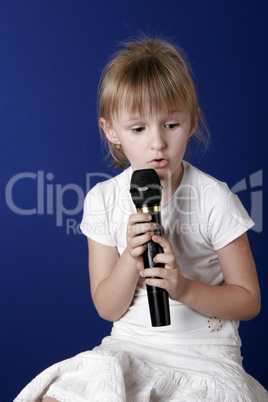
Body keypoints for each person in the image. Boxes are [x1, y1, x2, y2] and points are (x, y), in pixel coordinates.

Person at [15, 37, 268, 402]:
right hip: (131, 349)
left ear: (193, 121)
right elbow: (107, 307)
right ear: (111, 131)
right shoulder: (102, 200)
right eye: (138, 129)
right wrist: (131, 258)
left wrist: (183, 289)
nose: (157, 144)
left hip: (204, 357)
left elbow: (248, 300)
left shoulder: (215, 198)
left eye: (170, 124)